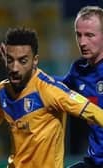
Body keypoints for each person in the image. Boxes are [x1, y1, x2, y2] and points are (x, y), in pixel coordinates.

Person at [0, 27, 103, 168]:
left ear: (35, 60)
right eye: (10, 60)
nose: (14, 68)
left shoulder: (49, 90)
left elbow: (92, 112)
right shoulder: (2, 91)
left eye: (22, 61)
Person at [57, 6, 103, 168]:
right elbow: (56, 88)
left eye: (90, 35)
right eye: (79, 35)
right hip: (94, 162)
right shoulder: (78, 70)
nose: (82, 42)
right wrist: (30, 76)